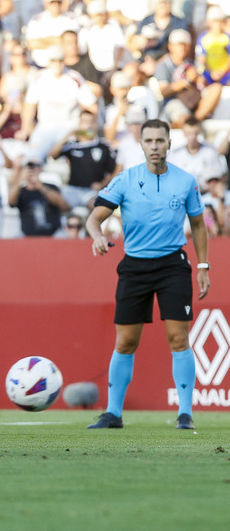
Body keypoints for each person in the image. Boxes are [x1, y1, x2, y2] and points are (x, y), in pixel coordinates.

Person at [86, 119, 209, 430]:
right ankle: (113, 414)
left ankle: (185, 414)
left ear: (169, 143)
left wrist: (203, 266)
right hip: (135, 266)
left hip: (172, 265)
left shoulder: (185, 181)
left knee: (179, 338)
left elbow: (197, 225)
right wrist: (97, 235)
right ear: (140, 144)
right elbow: (95, 217)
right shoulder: (125, 180)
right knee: (126, 341)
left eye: (160, 140)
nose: (155, 146)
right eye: (149, 141)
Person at [8, 154, 70, 237]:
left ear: (41, 168)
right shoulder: (21, 191)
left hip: (53, 234)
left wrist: (40, 186)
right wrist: (20, 180)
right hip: (27, 236)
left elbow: (64, 206)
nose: (33, 169)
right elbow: (11, 202)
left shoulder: (51, 187)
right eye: (29, 166)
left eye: (36, 166)